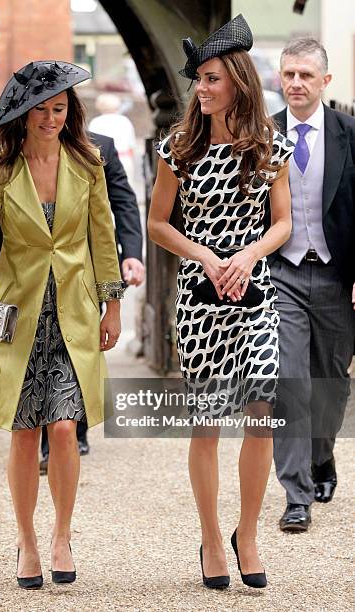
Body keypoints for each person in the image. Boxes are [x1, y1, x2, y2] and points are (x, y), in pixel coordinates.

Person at [0, 60, 124, 589]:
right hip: (19, 313)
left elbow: (104, 235)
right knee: (24, 432)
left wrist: (112, 303)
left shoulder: (89, 160)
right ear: (23, 114)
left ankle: (61, 535)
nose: (52, 118)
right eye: (42, 110)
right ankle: (27, 543)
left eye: (60, 109)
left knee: (63, 427)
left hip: (74, 313)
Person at [148, 15, 294, 589]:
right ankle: (211, 537)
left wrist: (250, 254)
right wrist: (206, 257)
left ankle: (248, 533)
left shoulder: (271, 147)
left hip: (256, 295)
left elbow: (283, 223)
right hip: (200, 297)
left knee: (262, 417)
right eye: (198, 81)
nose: (201, 90)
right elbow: (159, 225)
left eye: (210, 79)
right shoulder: (178, 148)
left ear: (237, 80)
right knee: (207, 423)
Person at [269, 39, 355, 532]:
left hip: (336, 274)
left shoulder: (349, 133)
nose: (296, 83)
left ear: (325, 81)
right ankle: (295, 493)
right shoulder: (260, 136)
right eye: (289, 74)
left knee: (331, 383)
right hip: (281, 274)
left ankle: (323, 454)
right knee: (290, 382)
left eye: (305, 75)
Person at [39, 131, 144, 466]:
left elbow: (122, 201)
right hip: (33, 278)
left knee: (79, 346)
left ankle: (74, 428)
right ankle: (48, 435)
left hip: (85, 269)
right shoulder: (16, 150)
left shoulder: (99, 147)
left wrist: (132, 253)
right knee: (39, 354)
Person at [89, 94, 136, 185]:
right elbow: (131, 145)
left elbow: (91, 145)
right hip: (124, 158)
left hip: (102, 161)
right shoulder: (124, 121)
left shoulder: (95, 122)